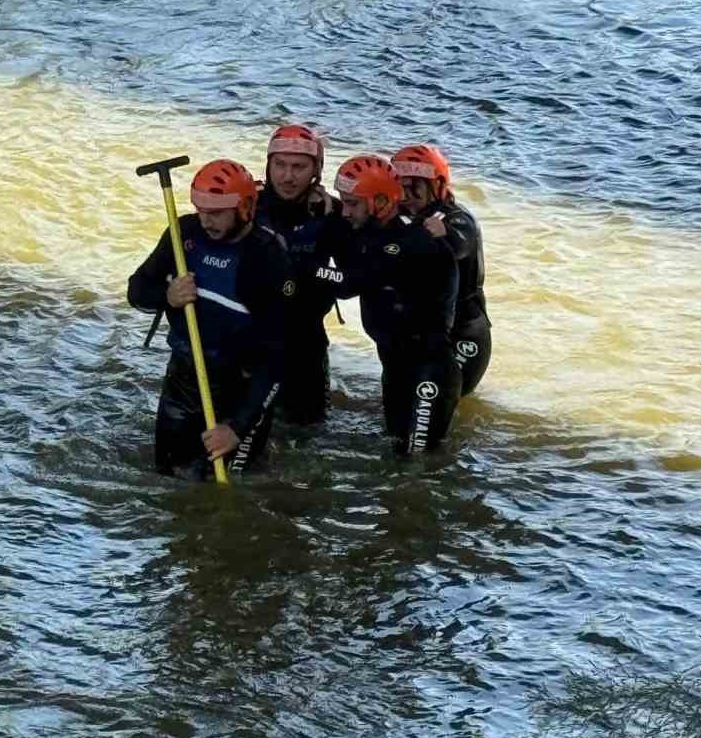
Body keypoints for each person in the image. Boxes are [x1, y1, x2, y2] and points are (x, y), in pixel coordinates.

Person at [127, 159, 292, 478]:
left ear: (244, 208)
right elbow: (137, 290)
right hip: (185, 376)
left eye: (216, 212)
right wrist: (167, 296)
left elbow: (278, 358)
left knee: (239, 484)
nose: (205, 220)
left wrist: (237, 427)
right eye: (200, 210)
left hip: (241, 387)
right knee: (168, 475)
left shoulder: (267, 258)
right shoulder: (183, 233)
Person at [316, 155, 460, 455]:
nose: (346, 212)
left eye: (353, 204)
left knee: (417, 461)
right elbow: (347, 245)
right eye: (344, 202)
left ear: (381, 202)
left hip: (429, 369)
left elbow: (346, 283)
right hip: (394, 366)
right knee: (396, 457)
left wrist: (306, 268)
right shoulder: (368, 230)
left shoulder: (411, 240)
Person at [256, 123, 340, 428]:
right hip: (252, 338)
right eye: (279, 165)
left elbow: (362, 272)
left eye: (298, 167)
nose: (287, 176)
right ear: (268, 165)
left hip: (306, 340)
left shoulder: (332, 213)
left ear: (316, 171)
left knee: (310, 433)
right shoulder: (246, 205)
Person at [390, 143, 491, 395]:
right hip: (427, 334)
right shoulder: (400, 217)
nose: (405, 194)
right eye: (399, 185)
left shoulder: (457, 218)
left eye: (414, 185)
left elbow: (460, 244)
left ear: (437, 185)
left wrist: (442, 235)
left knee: (439, 400)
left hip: (465, 332)